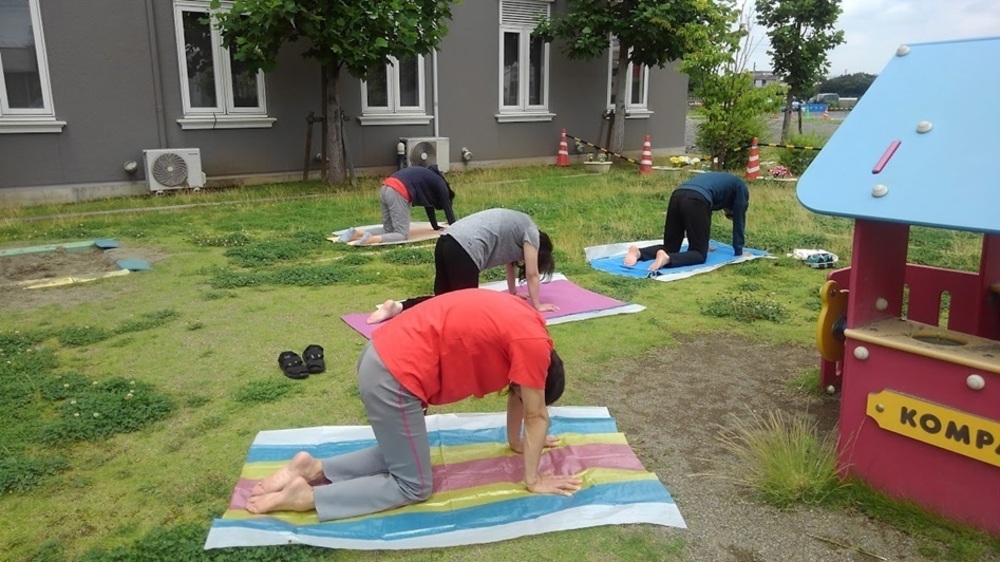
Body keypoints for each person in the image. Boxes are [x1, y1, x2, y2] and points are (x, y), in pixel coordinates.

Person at [245, 289, 582, 521]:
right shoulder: (531, 344)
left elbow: (522, 397)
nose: (515, 394)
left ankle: (313, 469)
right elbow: (536, 414)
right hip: (395, 376)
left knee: (405, 456)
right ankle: (309, 497)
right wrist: (534, 480)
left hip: (382, 355)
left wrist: (515, 442)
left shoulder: (528, 321)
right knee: (413, 485)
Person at [366, 208, 559, 324]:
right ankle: (400, 309)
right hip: (465, 248)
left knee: (442, 303)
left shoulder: (518, 227)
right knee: (465, 310)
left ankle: (399, 306)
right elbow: (532, 274)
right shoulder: (531, 232)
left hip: (445, 241)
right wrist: (537, 305)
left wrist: (513, 292)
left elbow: (510, 264)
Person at [624, 171, 749, 271]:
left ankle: (638, 252)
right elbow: (739, 220)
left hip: (677, 195)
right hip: (696, 200)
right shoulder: (741, 188)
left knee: (670, 246)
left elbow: (702, 219)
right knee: (699, 254)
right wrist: (739, 251)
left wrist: (703, 242)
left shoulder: (723, 182)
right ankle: (667, 258)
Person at [342, 165, 456, 245]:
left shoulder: (430, 177)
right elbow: (448, 208)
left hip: (385, 188)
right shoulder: (442, 186)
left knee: (388, 230)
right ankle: (371, 240)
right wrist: (455, 229)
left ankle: (357, 233)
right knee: (401, 234)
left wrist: (435, 227)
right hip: (397, 191)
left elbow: (429, 206)